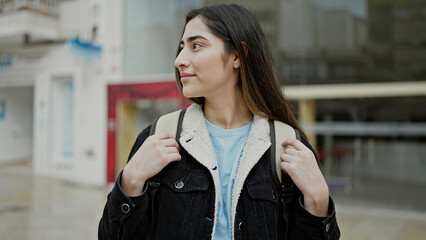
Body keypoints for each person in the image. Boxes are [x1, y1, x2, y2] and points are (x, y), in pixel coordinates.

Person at [99, 4, 340, 240]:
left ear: (238, 55)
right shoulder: (160, 136)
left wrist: (318, 200)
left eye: (196, 46)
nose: (179, 60)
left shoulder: (287, 146)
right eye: (181, 48)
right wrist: (129, 182)